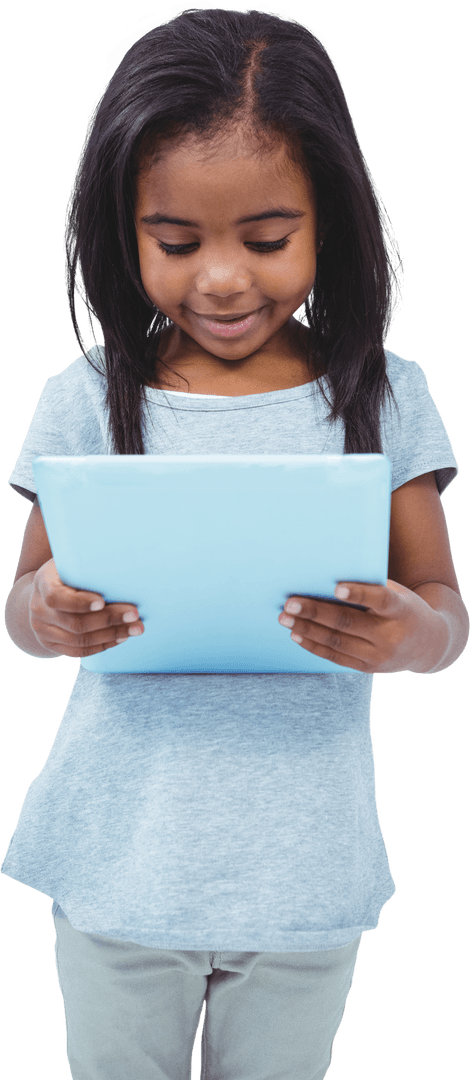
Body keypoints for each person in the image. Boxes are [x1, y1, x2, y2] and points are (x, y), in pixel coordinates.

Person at [2, 7, 468, 1080]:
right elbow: (23, 606)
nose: (220, 279)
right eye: (176, 243)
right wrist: (49, 612)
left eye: (266, 240)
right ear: (122, 231)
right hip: (122, 862)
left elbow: (441, 606)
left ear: (328, 222)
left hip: (303, 877)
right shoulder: (83, 398)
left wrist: (408, 636)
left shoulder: (386, 397)